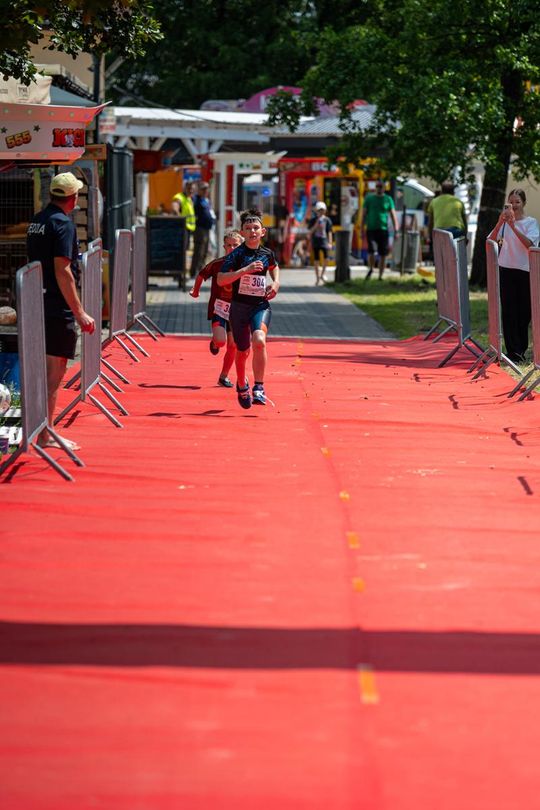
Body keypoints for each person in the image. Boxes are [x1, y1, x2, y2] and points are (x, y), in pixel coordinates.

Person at [26, 171, 95, 450]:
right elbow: (63, 270)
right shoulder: (63, 224)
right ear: (73, 197)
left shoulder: (37, 221)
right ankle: (45, 435)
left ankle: (40, 430)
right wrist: (79, 312)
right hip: (56, 306)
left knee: (42, 371)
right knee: (53, 375)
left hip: (37, 301)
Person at [217, 208, 280, 409]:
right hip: (239, 308)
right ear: (242, 233)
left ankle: (259, 387)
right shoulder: (236, 254)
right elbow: (220, 279)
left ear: (263, 232)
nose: (252, 231)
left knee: (259, 340)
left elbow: (274, 266)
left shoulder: (267, 253)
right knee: (242, 351)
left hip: (260, 306)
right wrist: (244, 271)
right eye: (248, 228)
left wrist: (276, 283)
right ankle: (242, 383)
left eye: (256, 228)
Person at [487, 188, 539, 364]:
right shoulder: (504, 222)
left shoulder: (531, 223)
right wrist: (500, 223)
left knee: (523, 313)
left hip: (525, 270)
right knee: (508, 311)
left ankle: (521, 350)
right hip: (506, 268)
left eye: (517, 202)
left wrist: (513, 226)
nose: (514, 206)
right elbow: (491, 240)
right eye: (511, 203)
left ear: (523, 203)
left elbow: (529, 244)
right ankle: (512, 351)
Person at [189, 229, 244, 387]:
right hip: (219, 308)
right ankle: (214, 343)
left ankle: (224, 376)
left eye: (235, 245)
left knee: (233, 345)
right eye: (228, 245)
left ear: (241, 247)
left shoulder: (245, 265)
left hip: (236, 310)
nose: (232, 249)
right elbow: (201, 274)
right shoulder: (218, 264)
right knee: (221, 342)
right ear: (224, 247)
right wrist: (196, 291)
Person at [359, 180, 399, 279]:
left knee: (383, 253)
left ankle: (380, 275)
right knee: (371, 250)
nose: (379, 188)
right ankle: (371, 268)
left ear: (384, 188)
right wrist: (361, 228)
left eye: (381, 187)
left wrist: (396, 230)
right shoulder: (369, 199)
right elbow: (364, 214)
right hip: (371, 228)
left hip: (383, 228)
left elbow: (393, 215)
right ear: (375, 188)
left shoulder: (388, 199)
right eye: (377, 186)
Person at [190, 181, 216, 278]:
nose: (205, 191)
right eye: (203, 189)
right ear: (199, 190)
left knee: (205, 251)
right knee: (198, 251)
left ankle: (201, 271)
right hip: (199, 228)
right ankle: (194, 271)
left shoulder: (207, 200)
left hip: (207, 228)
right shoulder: (196, 199)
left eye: (206, 189)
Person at [308, 201, 333, 285]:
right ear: (316, 211)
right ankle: (317, 277)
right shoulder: (313, 220)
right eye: (319, 210)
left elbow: (329, 232)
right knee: (316, 260)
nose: (321, 212)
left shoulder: (327, 220)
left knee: (326, 258)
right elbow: (310, 231)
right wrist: (316, 223)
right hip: (316, 242)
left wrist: (330, 242)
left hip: (324, 241)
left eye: (322, 210)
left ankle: (322, 274)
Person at [171, 181, 196, 251]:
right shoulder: (179, 197)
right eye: (189, 188)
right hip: (182, 229)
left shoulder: (189, 199)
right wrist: (180, 221)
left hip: (188, 229)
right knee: (181, 250)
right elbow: (174, 209)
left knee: (185, 250)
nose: (191, 190)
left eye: (192, 189)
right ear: (184, 188)